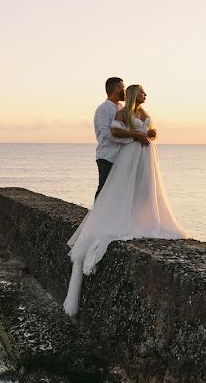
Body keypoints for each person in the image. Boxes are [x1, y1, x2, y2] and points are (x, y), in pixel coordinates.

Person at [64, 84, 188, 316]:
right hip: (122, 155)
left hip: (145, 155)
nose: (145, 94)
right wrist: (137, 135)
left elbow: (153, 131)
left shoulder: (140, 113)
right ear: (128, 92)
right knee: (113, 191)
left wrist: (150, 134)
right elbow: (111, 132)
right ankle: (112, 220)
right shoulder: (116, 111)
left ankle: (142, 217)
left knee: (145, 189)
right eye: (141, 91)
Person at [93, 77, 151, 200]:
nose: (125, 91)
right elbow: (107, 134)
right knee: (105, 188)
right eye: (123, 88)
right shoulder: (104, 108)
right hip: (108, 156)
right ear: (117, 89)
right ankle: (97, 216)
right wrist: (134, 138)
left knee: (119, 190)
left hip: (122, 156)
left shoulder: (121, 108)